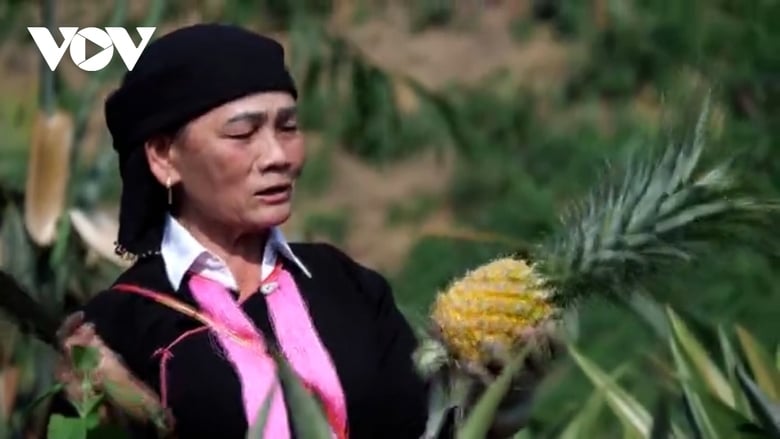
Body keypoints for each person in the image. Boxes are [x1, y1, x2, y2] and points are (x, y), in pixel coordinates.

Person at [50, 23, 539, 439]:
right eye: (243, 133)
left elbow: (429, 428)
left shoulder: (347, 287)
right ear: (163, 157)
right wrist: (114, 419)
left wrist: (506, 393)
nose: (279, 156)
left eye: (287, 127)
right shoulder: (116, 330)